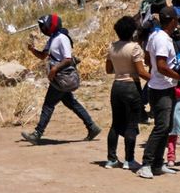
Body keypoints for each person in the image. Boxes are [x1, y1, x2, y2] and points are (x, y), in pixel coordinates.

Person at [23, 14, 100, 144]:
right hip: (59, 78)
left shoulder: (62, 38)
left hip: (61, 77)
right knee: (71, 103)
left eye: (44, 26)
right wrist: (32, 50)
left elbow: (67, 59)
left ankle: (38, 133)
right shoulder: (53, 38)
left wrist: (54, 69)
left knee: (48, 105)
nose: (42, 28)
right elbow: (43, 56)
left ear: (51, 25)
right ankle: (92, 127)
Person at [138, 7, 180, 179]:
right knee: (161, 127)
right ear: (173, 21)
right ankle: (147, 163)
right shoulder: (162, 39)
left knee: (166, 126)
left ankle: (158, 164)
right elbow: (161, 66)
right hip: (161, 89)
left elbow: (148, 59)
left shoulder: (155, 35)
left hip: (162, 86)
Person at [104, 15, 149, 169]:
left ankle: (111, 159)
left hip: (116, 86)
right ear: (132, 31)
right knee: (131, 124)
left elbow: (108, 70)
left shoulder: (112, 47)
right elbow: (141, 72)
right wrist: (155, 79)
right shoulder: (135, 48)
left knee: (115, 124)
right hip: (131, 86)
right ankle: (129, 160)